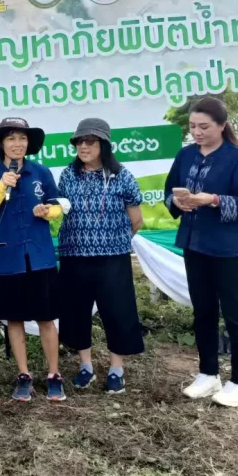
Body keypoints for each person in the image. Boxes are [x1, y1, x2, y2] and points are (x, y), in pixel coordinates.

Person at [164, 97, 238, 407]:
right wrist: (177, 201)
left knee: (235, 314)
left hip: (228, 247)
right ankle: (208, 374)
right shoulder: (185, 155)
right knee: (203, 311)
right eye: (193, 126)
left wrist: (214, 200)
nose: (197, 132)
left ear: (222, 125)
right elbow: (169, 191)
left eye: (204, 127)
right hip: (194, 244)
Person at [0, 117, 67, 402]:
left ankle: (54, 375)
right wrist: (2, 187)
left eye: (23, 138)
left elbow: (59, 205)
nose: (18, 144)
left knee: (46, 318)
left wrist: (49, 212)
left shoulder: (40, 172)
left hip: (39, 257)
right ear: (1, 144)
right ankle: (24, 375)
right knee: (14, 318)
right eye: (11, 138)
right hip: (6, 258)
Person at [57, 118, 145, 394]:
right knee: (76, 311)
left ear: (104, 145)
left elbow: (136, 220)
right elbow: (61, 209)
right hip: (74, 254)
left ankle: (116, 369)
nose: (83, 146)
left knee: (117, 311)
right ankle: (86, 366)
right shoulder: (68, 174)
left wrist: (111, 238)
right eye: (79, 142)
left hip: (113, 257)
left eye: (90, 141)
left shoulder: (122, 176)